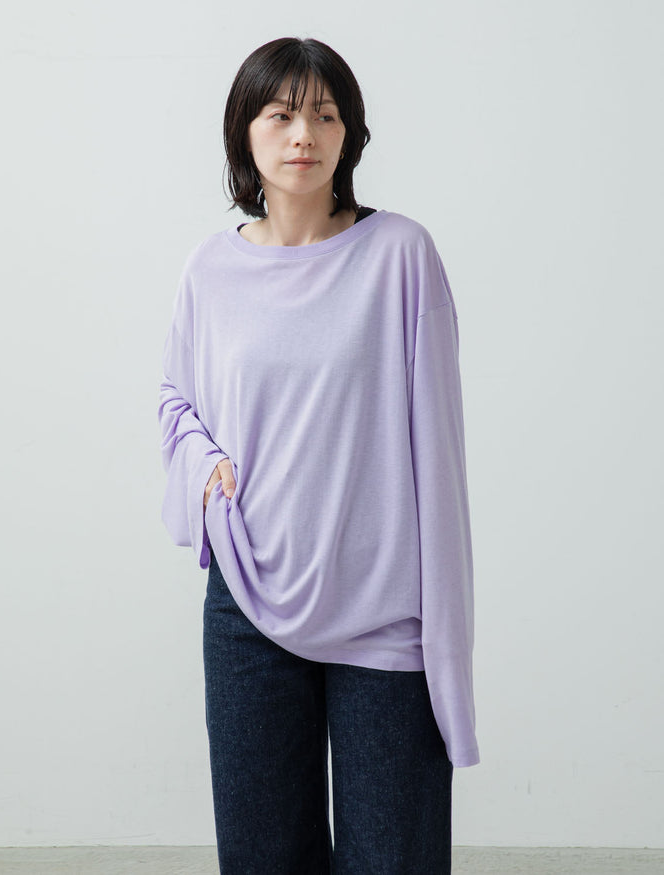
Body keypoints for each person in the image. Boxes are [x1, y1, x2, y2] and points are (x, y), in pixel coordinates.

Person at [158, 35, 478, 874]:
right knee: (262, 858)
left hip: (384, 615)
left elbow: (441, 456)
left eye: (325, 115)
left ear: (349, 136)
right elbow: (176, 399)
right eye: (281, 114)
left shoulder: (401, 256)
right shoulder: (210, 270)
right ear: (246, 133)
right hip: (247, 600)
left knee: (393, 858)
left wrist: (446, 637)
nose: (304, 133)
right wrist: (206, 471)